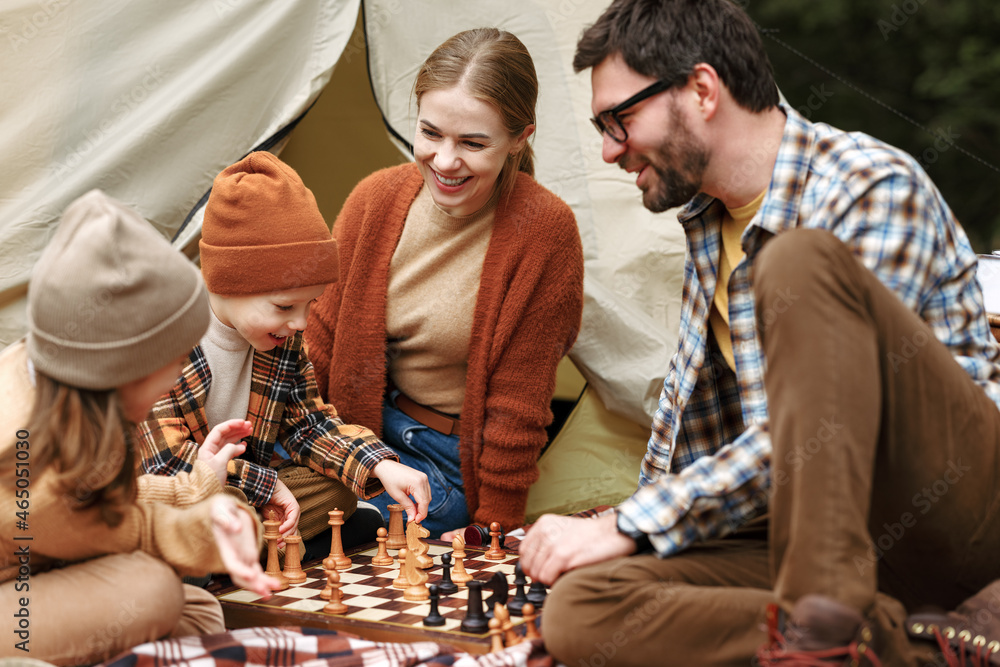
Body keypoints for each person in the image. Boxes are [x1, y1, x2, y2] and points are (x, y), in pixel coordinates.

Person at [520, 1, 1000, 665]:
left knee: (797, 261)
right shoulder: (708, 225)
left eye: (619, 119)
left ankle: (827, 619)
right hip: (801, 537)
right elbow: (687, 439)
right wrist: (622, 528)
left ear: (702, 89)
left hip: (945, 523)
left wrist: (636, 521)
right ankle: (887, 641)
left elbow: (823, 421)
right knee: (583, 608)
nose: (608, 150)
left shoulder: (868, 186)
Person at [305, 28, 584, 539]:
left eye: (473, 143)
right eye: (431, 134)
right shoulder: (375, 200)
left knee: (336, 525)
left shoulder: (544, 232)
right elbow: (316, 346)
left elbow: (518, 407)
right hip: (354, 437)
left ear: (520, 139)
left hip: (443, 464)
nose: (446, 161)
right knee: (257, 496)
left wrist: (491, 529)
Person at [0, 190, 277, 665]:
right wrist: (217, 525)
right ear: (122, 369)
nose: (177, 377)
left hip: (32, 561)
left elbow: (105, 499)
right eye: (170, 364)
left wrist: (199, 485)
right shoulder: (29, 469)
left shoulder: (45, 373)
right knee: (153, 592)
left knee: (196, 609)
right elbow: (135, 529)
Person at [138, 152, 430, 555]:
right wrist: (267, 484)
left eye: (310, 304)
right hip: (162, 497)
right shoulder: (159, 338)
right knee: (210, 506)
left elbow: (308, 425)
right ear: (229, 281)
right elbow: (169, 466)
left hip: (237, 492)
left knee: (334, 493)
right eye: (284, 306)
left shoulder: (282, 338)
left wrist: (380, 463)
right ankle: (248, 545)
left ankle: (242, 547)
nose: (301, 323)